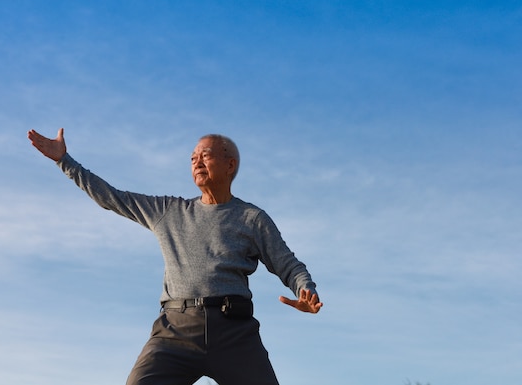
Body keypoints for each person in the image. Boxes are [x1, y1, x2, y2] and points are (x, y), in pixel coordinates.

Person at [27, 128, 323, 385]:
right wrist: (65, 162)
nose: (196, 161)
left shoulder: (251, 218)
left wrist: (305, 290)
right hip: (175, 332)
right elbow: (113, 198)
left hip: (234, 333)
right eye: (193, 157)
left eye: (205, 155)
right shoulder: (169, 211)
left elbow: (289, 265)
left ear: (230, 164)